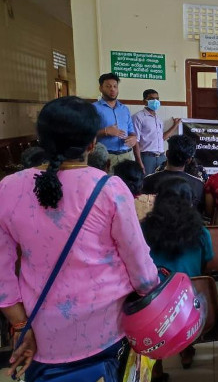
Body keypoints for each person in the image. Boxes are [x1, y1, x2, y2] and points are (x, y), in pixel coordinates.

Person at [0, 96, 158, 381]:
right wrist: (153, 295)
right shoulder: (110, 188)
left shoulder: (8, 188)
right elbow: (140, 266)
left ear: (41, 140)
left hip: (41, 333)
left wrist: (21, 325)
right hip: (109, 329)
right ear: (91, 144)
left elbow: (2, 276)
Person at [141, 178, 213, 379]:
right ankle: (187, 352)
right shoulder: (200, 232)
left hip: (154, 301)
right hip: (189, 301)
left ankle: (156, 368)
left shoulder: (144, 229)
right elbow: (206, 263)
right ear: (190, 202)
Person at [142, 135, 205, 213]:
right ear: (189, 160)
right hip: (189, 224)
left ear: (167, 154)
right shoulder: (199, 185)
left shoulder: (148, 181)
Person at [92, 73, 138, 173]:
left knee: (128, 187)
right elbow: (87, 133)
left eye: (115, 86)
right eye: (108, 86)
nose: (112, 89)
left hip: (127, 155)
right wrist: (105, 131)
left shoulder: (124, 109)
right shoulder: (94, 108)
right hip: (107, 157)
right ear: (101, 88)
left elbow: (131, 131)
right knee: (107, 187)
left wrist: (134, 138)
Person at [132, 89, 181, 176]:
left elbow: (163, 138)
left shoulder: (158, 119)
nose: (155, 101)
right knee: (146, 184)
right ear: (144, 101)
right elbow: (136, 141)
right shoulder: (138, 117)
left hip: (161, 157)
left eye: (157, 99)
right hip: (147, 157)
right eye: (151, 98)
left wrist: (175, 125)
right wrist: (139, 162)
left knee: (161, 183)